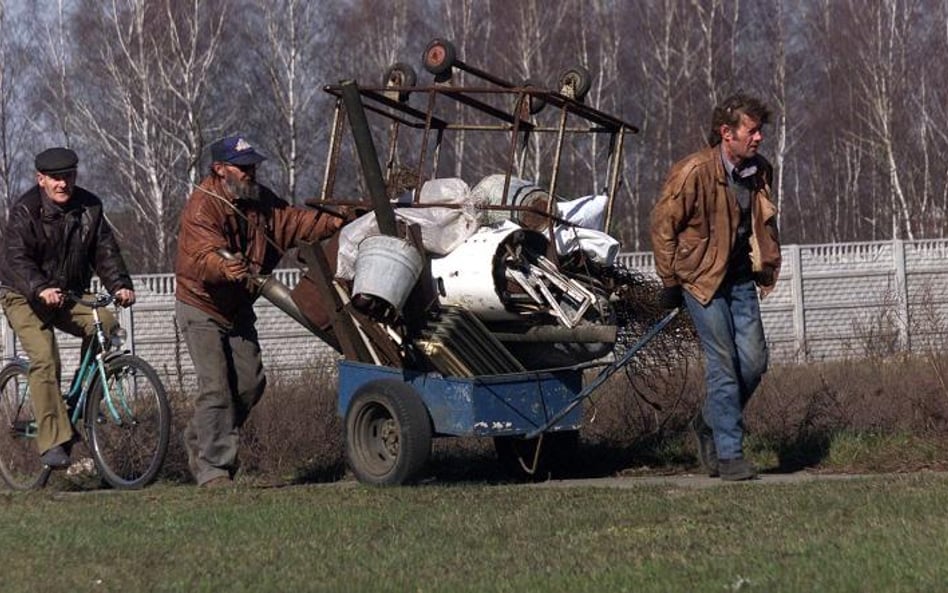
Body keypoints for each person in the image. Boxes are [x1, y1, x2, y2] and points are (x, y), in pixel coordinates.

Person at [174, 135, 345, 488]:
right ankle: (214, 470)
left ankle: (202, 436)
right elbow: (202, 256)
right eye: (243, 167)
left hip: (237, 306)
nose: (251, 172)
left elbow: (293, 222)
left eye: (253, 166)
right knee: (216, 388)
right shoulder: (201, 208)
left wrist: (334, 222)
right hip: (201, 304)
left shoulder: (259, 202)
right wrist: (225, 269)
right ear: (220, 170)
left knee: (251, 383)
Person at [650, 93, 781, 481]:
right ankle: (729, 455)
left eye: (760, 131)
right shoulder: (693, 171)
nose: (758, 138)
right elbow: (662, 227)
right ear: (727, 133)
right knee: (723, 363)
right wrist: (671, 281)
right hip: (701, 281)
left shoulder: (760, 171)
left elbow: (762, 225)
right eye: (751, 130)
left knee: (755, 363)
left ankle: (708, 421)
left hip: (740, 280)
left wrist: (766, 266)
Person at [0, 147, 136, 468]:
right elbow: (16, 259)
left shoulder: (90, 207)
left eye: (68, 177)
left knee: (106, 325)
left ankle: (82, 400)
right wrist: (41, 287)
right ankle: (51, 442)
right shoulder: (25, 210)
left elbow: (106, 251)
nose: (63, 184)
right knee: (45, 358)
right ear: (41, 180)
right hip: (22, 293)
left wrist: (120, 285)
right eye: (55, 178)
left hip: (67, 293)